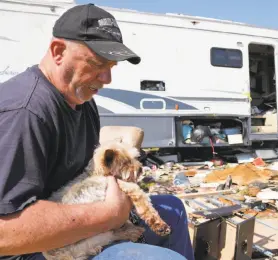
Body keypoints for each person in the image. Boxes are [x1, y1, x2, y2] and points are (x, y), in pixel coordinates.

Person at [0, 3, 194, 260]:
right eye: (97, 63)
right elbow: (5, 233)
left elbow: (88, 175)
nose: (107, 79)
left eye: (112, 66)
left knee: (174, 210)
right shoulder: (25, 112)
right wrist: (110, 214)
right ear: (58, 52)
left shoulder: (83, 101)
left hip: (77, 224)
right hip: (33, 252)